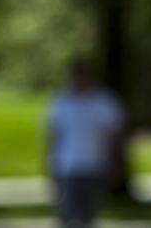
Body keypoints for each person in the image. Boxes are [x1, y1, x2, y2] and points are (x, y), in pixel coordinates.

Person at [47, 62, 124, 228]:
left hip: (96, 166)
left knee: (88, 216)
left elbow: (115, 137)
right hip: (68, 167)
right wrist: (50, 165)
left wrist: (116, 164)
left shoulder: (105, 102)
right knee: (68, 216)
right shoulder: (61, 103)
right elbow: (53, 136)